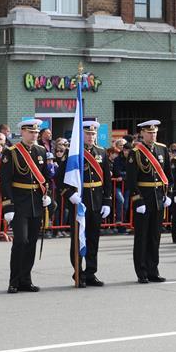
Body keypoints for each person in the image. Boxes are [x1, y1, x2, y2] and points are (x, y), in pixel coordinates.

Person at [0, 119, 55, 293]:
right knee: (20, 241)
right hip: (19, 203)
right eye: (31, 132)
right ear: (22, 132)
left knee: (31, 242)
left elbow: (45, 178)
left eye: (36, 132)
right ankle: (14, 280)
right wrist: (8, 205)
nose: (34, 135)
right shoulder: (12, 152)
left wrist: (47, 196)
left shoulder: (41, 151)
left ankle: (26, 279)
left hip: (36, 203)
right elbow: (5, 181)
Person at [58, 120, 112, 287]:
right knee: (78, 239)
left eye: (93, 134)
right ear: (82, 135)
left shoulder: (101, 152)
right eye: (88, 134)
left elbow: (107, 180)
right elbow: (60, 179)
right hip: (79, 202)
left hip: (95, 202)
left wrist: (107, 201)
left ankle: (90, 272)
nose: (91, 136)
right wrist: (69, 194)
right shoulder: (73, 152)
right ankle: (78, 273)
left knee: (93, 239)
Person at [126, 120, 172, 284]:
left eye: (154, 132)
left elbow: (168, 175)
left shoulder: (162, 149)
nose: (152, 135)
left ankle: (153, 270)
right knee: (142, 237)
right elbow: (131, 180)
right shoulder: (135, 152)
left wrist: (168, 194)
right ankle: (142, 271)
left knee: (155, 237)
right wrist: (138, 200)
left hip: (159, 198)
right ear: (142, 134)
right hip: (144, 198)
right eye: (149, 132)